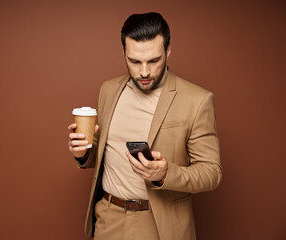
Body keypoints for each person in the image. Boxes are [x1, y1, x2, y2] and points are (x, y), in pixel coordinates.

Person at [68, 12, 222, 240]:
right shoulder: (109, 90)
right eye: (134, 61)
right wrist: (83, 154)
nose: (144, 72)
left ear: (168, 51)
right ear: (123, 53)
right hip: (108, 217)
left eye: (154, 60)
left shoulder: (197, 100)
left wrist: (165, 174)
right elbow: (105, 156)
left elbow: (211, 172)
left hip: (158, 224)